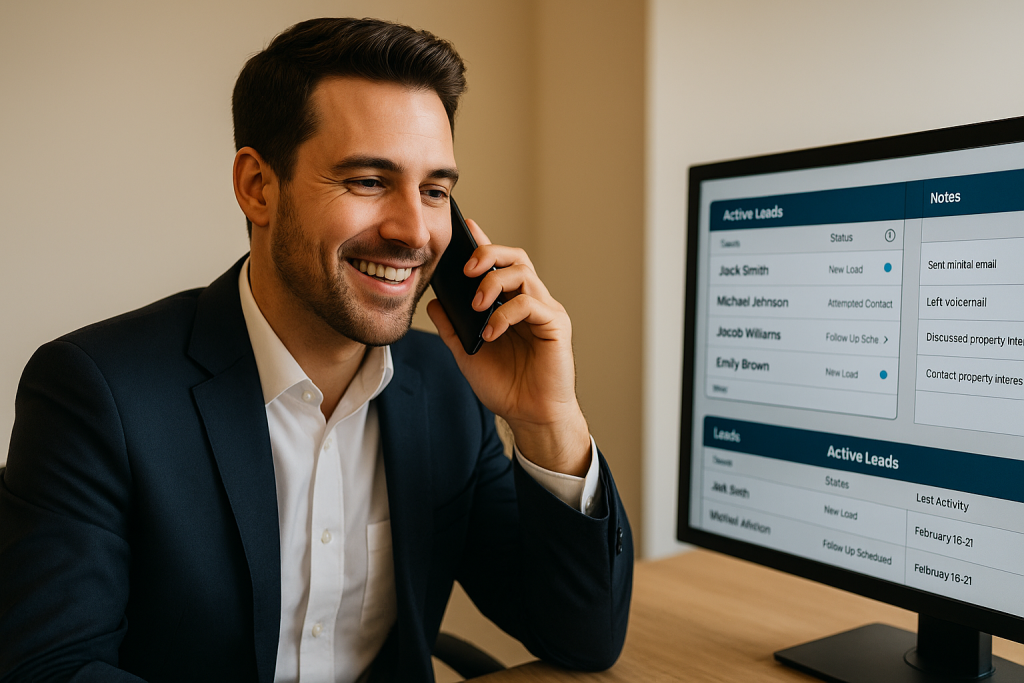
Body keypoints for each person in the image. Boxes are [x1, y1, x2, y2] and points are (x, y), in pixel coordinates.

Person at [0, 17, 632, 683]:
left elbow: (582, 638)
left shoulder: (447, 387)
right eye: (368, 180)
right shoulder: (96, 392)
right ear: (257, 186)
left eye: (435, 191)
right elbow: (51, 667)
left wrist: (548, 421)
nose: (415, 232)